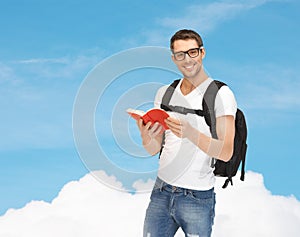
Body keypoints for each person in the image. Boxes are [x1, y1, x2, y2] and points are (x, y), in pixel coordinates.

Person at [137, 29, 237, 237]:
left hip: (197, 198)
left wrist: (190, 133)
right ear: (173, 58)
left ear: (202, 53)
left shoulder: (221, 95)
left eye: (192, 52)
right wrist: (146, 135)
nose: (187, 59)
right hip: (161, 192)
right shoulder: (164, 94)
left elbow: (226, 151)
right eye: (180, 54)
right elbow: (154, 148)